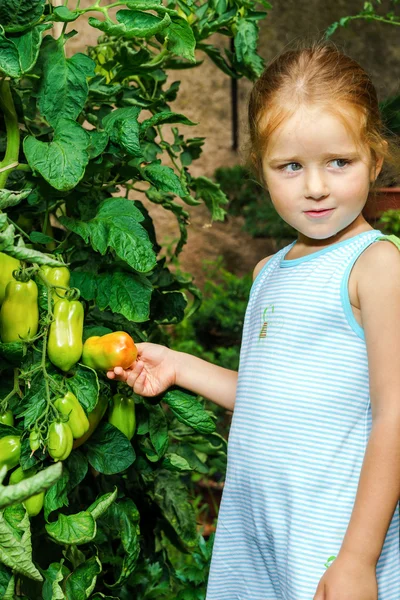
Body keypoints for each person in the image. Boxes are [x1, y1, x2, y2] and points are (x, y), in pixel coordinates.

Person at [107, 40, 400, 600]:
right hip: (259, 528)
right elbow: (271, 397)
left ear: (375, 159)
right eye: (291, 166)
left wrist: (358, 558)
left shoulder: (375, 265)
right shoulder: (269, 271)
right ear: (261, 169)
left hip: (334, 529)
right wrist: (177, 365)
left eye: (339, 162)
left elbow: (395, 413)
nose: (315, 186)